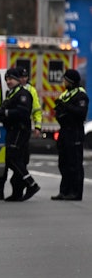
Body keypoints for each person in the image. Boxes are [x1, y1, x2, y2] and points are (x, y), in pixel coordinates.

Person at [0, 67, 40, 202]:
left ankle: (31, 184)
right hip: (12, 130)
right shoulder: (11, 94)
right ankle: (17, 192)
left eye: (11, 79)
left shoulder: (23, 94)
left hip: (20, 131)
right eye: (7, 79)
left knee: (13, 157)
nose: (8, 81)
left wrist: (6, 113)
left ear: (17, 80)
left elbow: (23, 112)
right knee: (10, 160)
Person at [53, 68, 88, 200]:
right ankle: (64, 191)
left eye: (65, 80)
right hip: (64, 131)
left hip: (75, 132)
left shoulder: (81, 95)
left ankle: (75, 192)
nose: (63, 82)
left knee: (75, 164)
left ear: (71, 81)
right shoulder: (65, 94)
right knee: (64, 163)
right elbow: (60, 112)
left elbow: (80, 113)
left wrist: (65, 107)